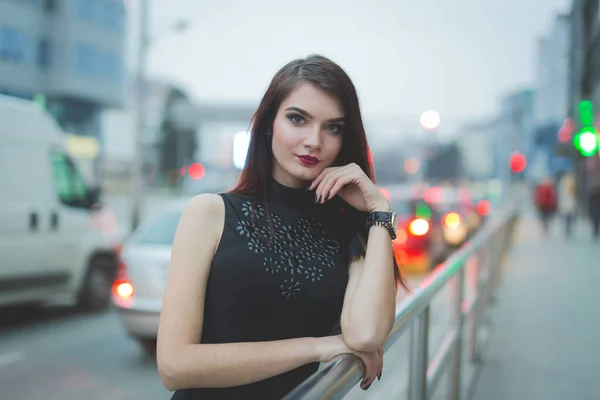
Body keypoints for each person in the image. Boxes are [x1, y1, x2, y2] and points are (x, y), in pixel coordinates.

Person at [156, 55, 408, 400]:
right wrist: (317, 347)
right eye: (297, 119)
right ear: (268, 123)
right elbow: (174, 366)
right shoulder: (209, 213)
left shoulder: (349, 228)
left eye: (333, 127)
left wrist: (379, 211)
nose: (314, 141)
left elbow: (366, 335)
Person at [557, 172, 577, 237]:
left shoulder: (562, 183)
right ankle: (568, 228)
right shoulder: (571, 182)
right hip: (569, 202)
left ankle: (567, 228)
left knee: (567, 216)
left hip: (566, 202)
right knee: (568, 216)